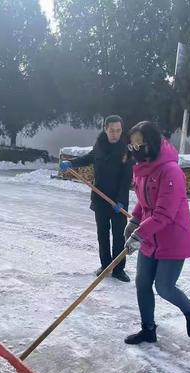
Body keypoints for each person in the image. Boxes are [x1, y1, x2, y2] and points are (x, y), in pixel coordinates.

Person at [123, 121, 190, 344]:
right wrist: (135, 219)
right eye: (133, 146)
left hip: (172, 239)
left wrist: (139, 234)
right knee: (142, 283)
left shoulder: (171, 171)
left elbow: (164, 213)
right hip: (150, 235)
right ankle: (148, 329)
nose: (137, 150)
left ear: (153, 143)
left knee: (164, 287)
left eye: (141, 145)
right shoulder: (142, 169)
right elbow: (144, 202)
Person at [59, 115, 132, 282]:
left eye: (118, 130)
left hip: (118, 201)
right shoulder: (99, 146)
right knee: (102, 234)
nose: (115, 134)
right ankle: (105, 265)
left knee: (119, 235)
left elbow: (126, 177)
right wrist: (71, 163)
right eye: (112, 130)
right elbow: (88, 158)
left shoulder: (126, 150)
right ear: (105, 129)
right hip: (100, 198)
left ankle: (119, 269)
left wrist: (120, 199)